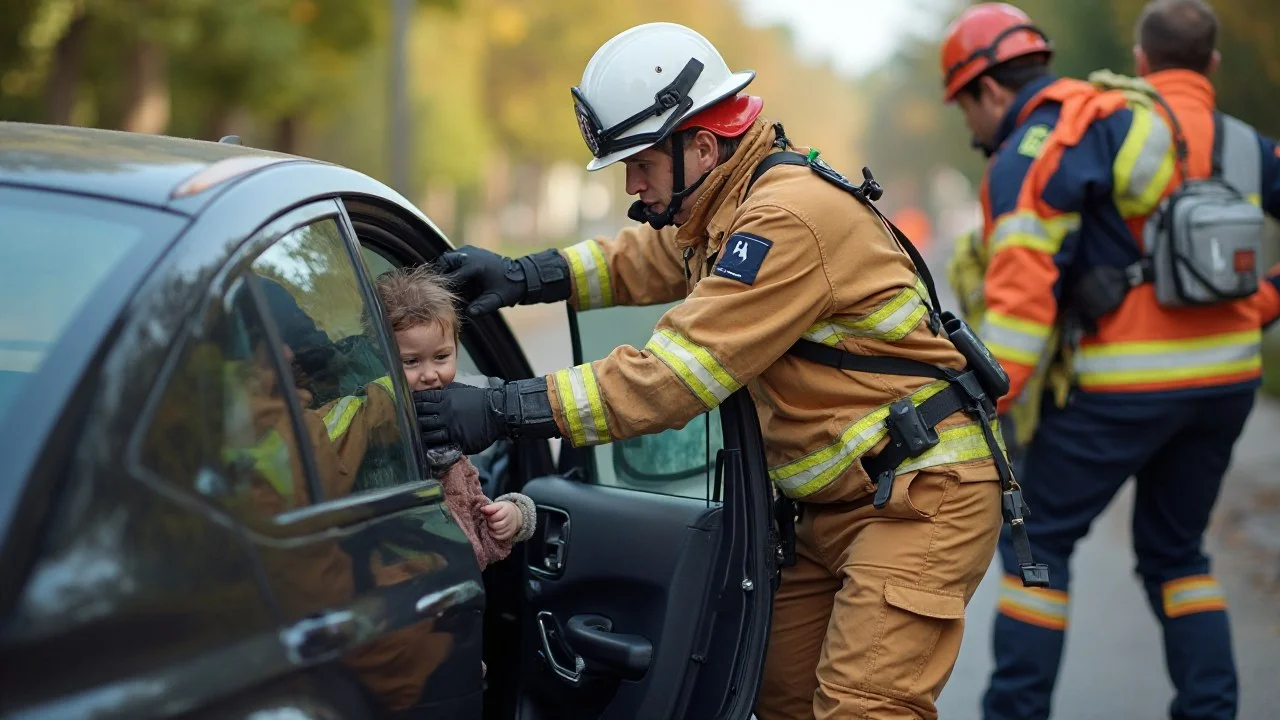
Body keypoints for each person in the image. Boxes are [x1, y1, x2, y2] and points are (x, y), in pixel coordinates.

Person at [413, 21, 1044, 719]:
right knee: (777, 699)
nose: (635, 186)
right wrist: (528, 273)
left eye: (642, 165)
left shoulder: (785, 219)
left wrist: (502, 407)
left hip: (923, 498)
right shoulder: (729, 206)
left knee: (864, 708)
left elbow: (671, 378)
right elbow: (646, 260)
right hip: (841, 501)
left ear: (702, 145)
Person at [942, 1, 1280, 718]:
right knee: (1178, 554)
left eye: (963, 106)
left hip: (1123, 388)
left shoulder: (1077, 132)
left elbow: (1023, 308)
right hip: (1226, 384)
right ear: (1214, 65)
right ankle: (1212, 710)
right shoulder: (1250, 145)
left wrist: (971, 406)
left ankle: (1014, 711)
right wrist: (1264, 304)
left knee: (1041, 543)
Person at [373, 264, 536, 566]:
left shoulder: (451, 425)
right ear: (379, 357)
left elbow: (472, 510)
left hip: (456, 581)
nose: (430, 374)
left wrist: (514, 515)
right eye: (411, 362)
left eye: (441, 357)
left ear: (456, 348)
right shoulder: (379, 428)